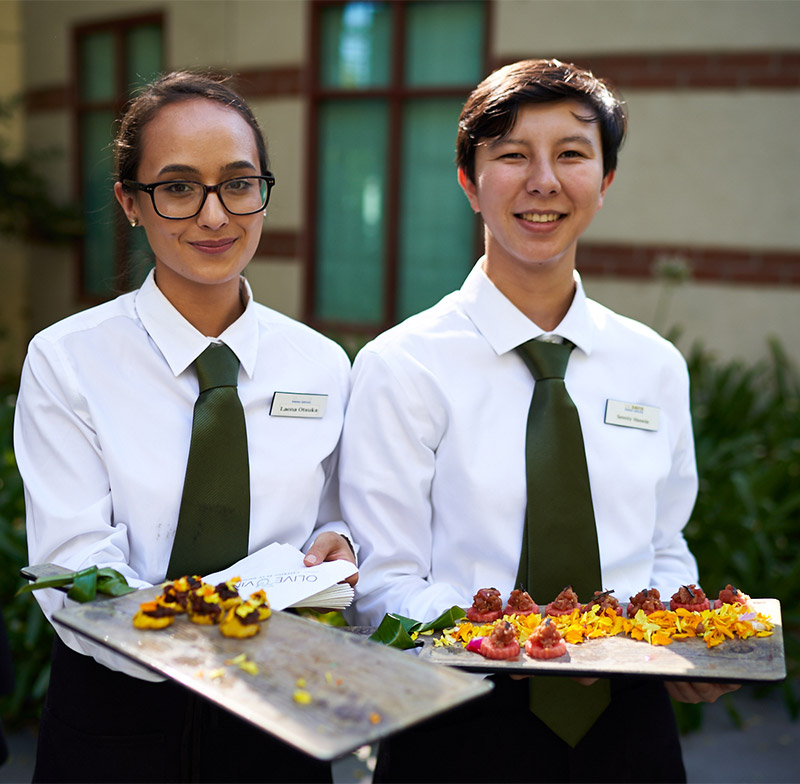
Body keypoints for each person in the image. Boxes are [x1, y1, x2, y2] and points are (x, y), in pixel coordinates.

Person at [339, 59, 738, 783]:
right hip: (452, 722)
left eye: (573, 155)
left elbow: (662, 544)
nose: (544, 181)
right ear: (469, 181)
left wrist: (686, 636)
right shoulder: (404, 365)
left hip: (631, 727)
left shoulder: (653, 364)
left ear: (606, 182)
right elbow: (381, 584)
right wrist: (521, 640)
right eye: (512, 155)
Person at [14, 71, 355, 783]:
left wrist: (338, 545)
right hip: (117, 722)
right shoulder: (68, 359)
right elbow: (77, 569)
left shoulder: (322, 365)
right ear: (130, 203)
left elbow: (337, 517)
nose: (214, 216)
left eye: (237, 183)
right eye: (177, 187)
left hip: (281, 717)